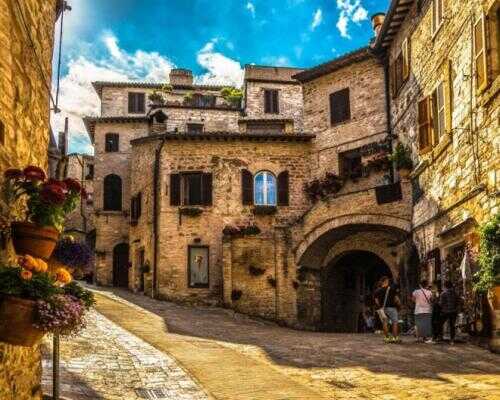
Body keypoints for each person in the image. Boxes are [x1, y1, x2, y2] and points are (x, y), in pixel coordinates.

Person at [374, 276, 401, 343]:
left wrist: (381, 306)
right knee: (395, 322)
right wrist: (399, 304)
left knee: (385, 323)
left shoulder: (377, 291)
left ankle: (387, 338)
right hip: (391, 308)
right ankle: (395, 338)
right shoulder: (391, 289)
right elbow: (396, 299)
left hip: (382, 309)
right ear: (386, 281)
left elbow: (376, 301)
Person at [439, 281, 461, 345]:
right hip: (453, 311)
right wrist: (456, 309)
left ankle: (440, 337)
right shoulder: (455, 293)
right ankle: (452, 340)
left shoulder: (443, 293)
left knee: (440, 323)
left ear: (445, 286)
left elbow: (441, 304)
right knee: (452, 325)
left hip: (445, 311)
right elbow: (458, 302)